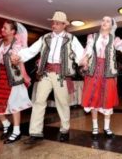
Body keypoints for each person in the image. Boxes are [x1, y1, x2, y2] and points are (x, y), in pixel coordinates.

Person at [11, 11, 84, 144]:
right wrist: (19, 56)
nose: (54, 25)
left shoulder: (71, 38)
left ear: (63, 25)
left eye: (57, 23)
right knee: (39, 101)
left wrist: (83, 62)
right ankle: (35, 132)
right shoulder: (44, 38)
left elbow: (81, 54)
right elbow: (31, 50)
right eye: (53, 23)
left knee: (62, 103)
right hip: (45, 73)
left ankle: (64, 129)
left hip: (61, 74)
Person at [80, 16, 122, 139]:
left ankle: (107, 128)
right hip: (94, 71)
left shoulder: (114, 39)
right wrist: (85, 59)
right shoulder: (92, 37)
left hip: (108, 71)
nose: (104, 22)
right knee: (94, 99)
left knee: (107, 99)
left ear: (112, 25)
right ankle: (95, 128)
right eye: (103, 20)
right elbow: (88, 49)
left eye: (108, 21)